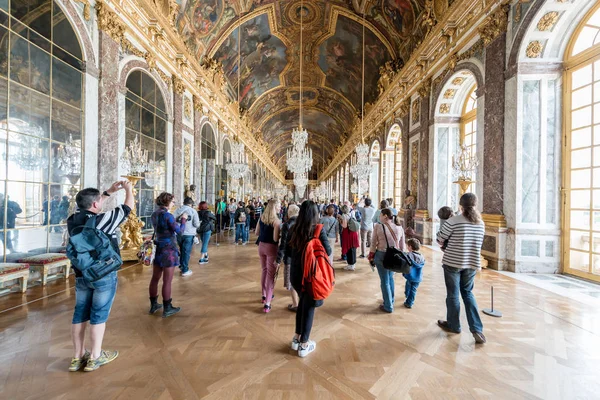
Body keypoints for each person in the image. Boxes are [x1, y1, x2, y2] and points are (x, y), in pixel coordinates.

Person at [66, 181, 133, 372]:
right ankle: (95, 356)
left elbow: (91, 206)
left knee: (79, 314)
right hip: (103, 273)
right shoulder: (103, 220)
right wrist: (128, 189)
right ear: (95, 204)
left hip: (80, 273)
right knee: (99, 314)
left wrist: (107, 192)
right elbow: (127, 208)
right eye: (99, 202)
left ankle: (77, 357)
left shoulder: (72, 219)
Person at [436, 193, 486, 344]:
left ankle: (454, 325)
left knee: (453, 295)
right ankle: (477, 329)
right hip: (471, 263)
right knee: (468, 293)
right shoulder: (480, 223)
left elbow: (440, 238)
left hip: (453, 262)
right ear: (475, 205)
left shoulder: (453, 221)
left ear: (460, 205)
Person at [285, 200, 331, 357]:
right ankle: (304, 345)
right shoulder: (318, 230)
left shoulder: (293, 229)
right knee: (309, 307)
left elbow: (288, 253)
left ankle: (297, 338)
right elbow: (328, 250)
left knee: (302, 304)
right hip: (311, 275)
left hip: (296, 275)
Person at [149, 192, 187, 318]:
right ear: (167, 202)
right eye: (173, 202)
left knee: (155, 278)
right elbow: (180, 231)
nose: (173, 204)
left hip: (159, 247)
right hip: (169, 250)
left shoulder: (154, 214)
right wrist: (184, 220)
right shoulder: (168, 215)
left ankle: (154, 304)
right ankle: (167, 307)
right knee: (167, 281)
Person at [368, 208, 406, 313]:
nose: (379, 217)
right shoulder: (399, 227)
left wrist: (371, 255)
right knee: (390, 279)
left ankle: (388, 305)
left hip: (382, 255)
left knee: (384, 281)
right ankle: (390, 300)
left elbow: (373, 243)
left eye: (380, 215)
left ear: (385, 216)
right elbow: (402, 246)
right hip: (395, 256)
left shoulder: (378, 226)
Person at [255, 199, 281, 313]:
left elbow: (256, 233)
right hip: (271, 248)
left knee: (264, 270)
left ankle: (264, 295)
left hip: (261, 246)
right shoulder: (276, 221)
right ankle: (268, 303)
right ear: (274, 208)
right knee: (271, 275)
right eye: (279, 206)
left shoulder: (262, 218)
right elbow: (275, 239)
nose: (280, 208)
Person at [276, 204, 299, 312]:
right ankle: (302, 303)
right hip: (302, 256)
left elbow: (283, 244)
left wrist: (278, 259)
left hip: (290, 256)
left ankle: (295, 304)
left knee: (293, 280)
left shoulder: (287, 225)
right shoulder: (302, 223)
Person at [174, 197, 200, 276]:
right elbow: (196, 224)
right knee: (186, 252)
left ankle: (182, 266)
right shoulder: (193, 211)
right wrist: (199, 224)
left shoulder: (177, 210)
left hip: (179, 233)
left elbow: (173, 220)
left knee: (182, 250)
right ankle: (185, 270)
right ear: (191, 204)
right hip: (189, 234)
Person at [402, 238, 425, 309]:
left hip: (410, 275)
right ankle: (409, 302)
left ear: (410, 247)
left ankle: (407, 296)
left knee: (408, 285)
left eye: (407, 246)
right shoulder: (422, 256)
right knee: (414, 289)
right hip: (418, 277)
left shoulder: (408, 255)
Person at [338, 205, 359, 271]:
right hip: (353, 233)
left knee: (349, 248)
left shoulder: (344, 215)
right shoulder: (351, 213)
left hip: (348, 233)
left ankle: (350, 264)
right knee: (353, 248)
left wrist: (340, 222)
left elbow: (344, 226)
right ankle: (353, 263)